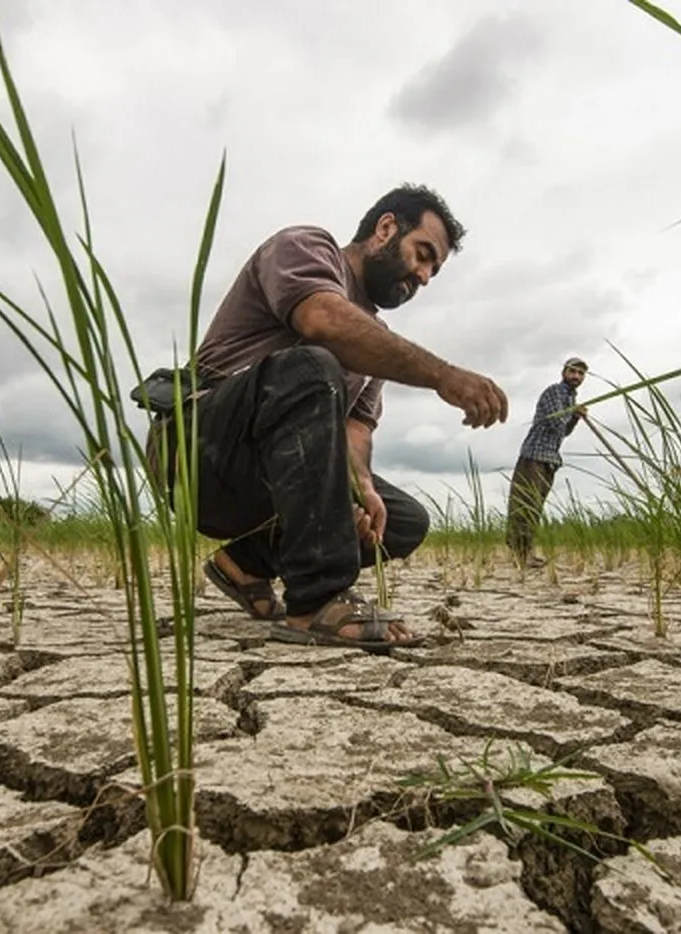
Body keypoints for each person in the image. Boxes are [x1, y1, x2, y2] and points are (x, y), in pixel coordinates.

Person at [142, 184, 508, 651]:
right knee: (313, 365)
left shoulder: (374, 340)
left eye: (433, 271)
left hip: (273, 477)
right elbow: (322, 319)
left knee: (401, 521)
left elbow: (355, 432)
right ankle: (316, 601)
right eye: (422, 255)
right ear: (386, 228)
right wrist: (443, 376)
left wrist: (361, 490)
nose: (423, 277)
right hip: (197, 450)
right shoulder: (306, 247)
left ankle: (245, 565)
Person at [505, 357, 588, 568]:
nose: (576, 376)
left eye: (580, 373)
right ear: (564, 373)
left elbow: (565, 431)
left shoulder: (570, 398)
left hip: (549, 459)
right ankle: (520, 553)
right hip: (534, 456)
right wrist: (573, 412)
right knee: (525, 505)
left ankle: (525, 551)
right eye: (573, 371)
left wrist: (576, 418)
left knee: (535, 508)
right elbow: (555, 422)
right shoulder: (555, 392)